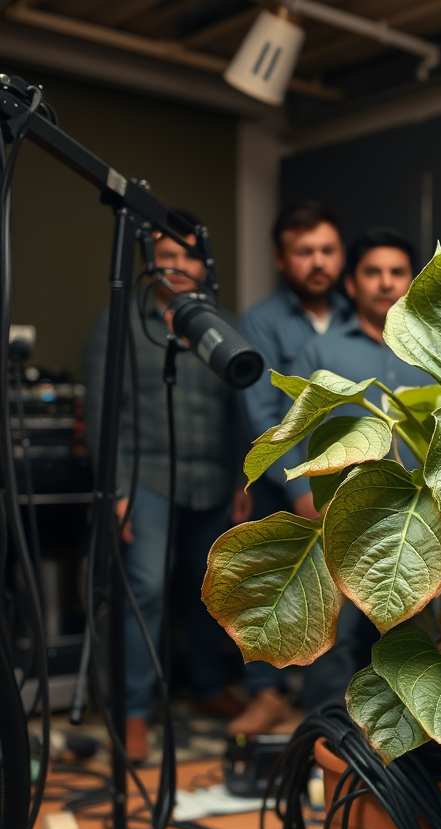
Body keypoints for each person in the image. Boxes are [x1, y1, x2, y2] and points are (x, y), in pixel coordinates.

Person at [83, 214, 252, 764]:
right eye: (166, 255)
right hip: (146, 478)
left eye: (189, 255)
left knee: (212, 589)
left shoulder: (221, 325)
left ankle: (206, 688)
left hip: (213, 480)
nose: (178, 265)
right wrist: (116, 491)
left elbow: (239, 412)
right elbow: (102, 413)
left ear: (205, 264)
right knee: (148, 589)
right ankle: (133, 710)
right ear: (148, 262)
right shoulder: (118, 322)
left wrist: (243, 479)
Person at [281, 227, 434, 712]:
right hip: (341, 522)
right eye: (373, 272)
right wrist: (301, 496)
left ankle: (408, 750)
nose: (386, 282)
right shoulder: (321, 353)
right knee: (334, 641)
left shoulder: (437, 354)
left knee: (416, 645)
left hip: (423, 524)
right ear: (352, 283)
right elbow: (289, 430)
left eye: (397, 272)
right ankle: (327, 743)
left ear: (412, 281)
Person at [231, 200, 350, 735]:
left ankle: (336, 705)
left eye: (327, 250)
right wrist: (300, 485)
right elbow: (261, 413)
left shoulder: (355, 311)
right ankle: (268, 694)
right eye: (305, 252)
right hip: (284, 481)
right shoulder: (260, 320)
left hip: (346, 476)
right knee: (269, 588)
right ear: (281, 259)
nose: (317, 262)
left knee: (338, 597)